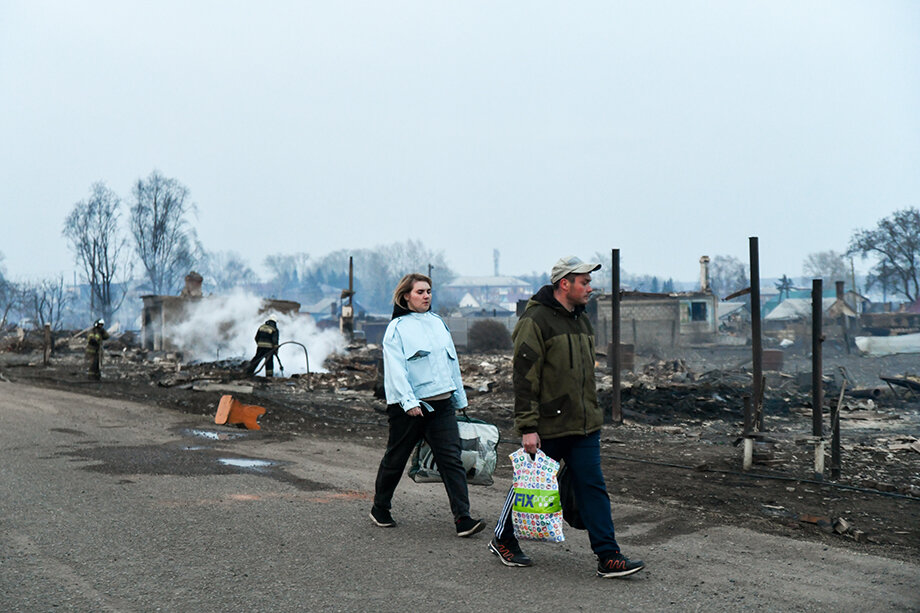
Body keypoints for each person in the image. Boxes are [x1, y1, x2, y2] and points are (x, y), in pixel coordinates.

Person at [488, 256, 645, 578]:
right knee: (531, 485)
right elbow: (524, 377)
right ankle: (503, 538)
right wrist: (528, 427)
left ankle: (608, 556)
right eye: (584, 282)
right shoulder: (536, 320)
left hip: (584, 424)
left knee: (593, 488)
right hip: (549, 425)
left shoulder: (582, 319)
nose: (590, 288)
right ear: (565, 284)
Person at [370, 273, 486, 538]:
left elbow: (451, 362)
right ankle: (380, 508)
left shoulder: (437, 322)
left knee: (451, 460)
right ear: (405, 296)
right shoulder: (397, 329)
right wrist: (409, 403)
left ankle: (463, 519)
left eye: (429, 291)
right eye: (420, 292)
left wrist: (458, 398)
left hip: (442, 405)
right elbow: (397, 370)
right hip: (410, 408)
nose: (426, 296)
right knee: (396, 459)